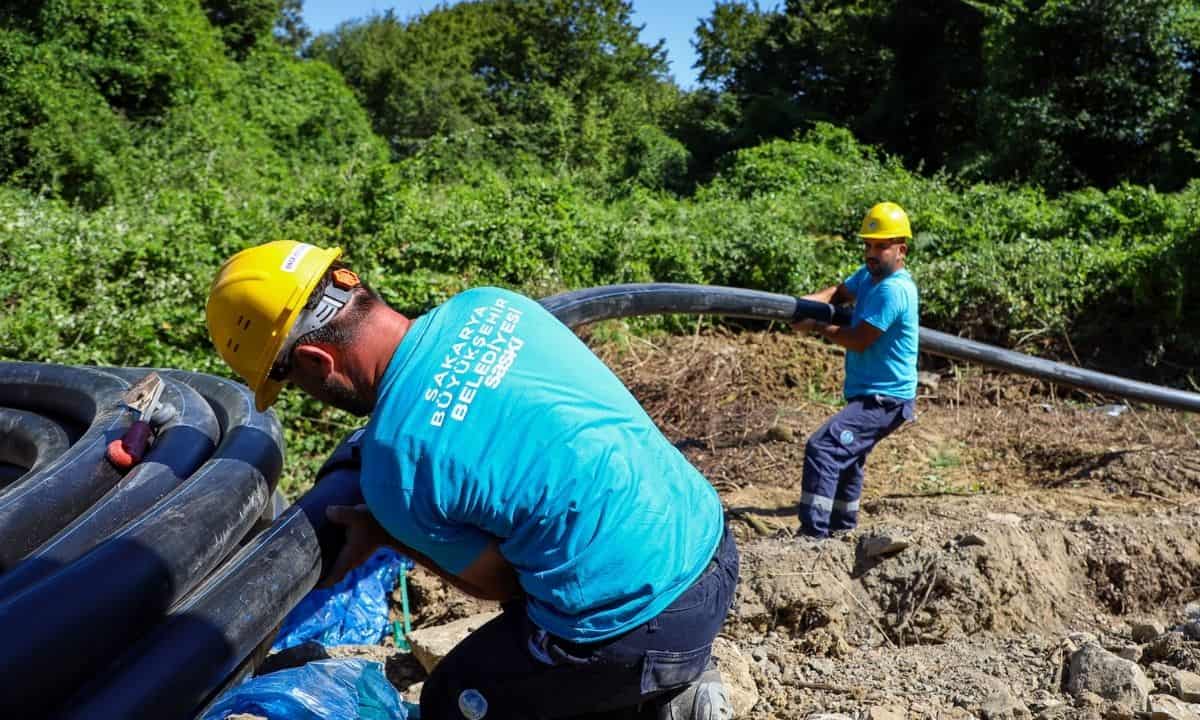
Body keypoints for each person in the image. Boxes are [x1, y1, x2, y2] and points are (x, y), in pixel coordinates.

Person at [205, 241, 739, 720]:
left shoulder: (395, 467)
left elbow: (503, 586)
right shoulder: (491, 305)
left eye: (288, 379)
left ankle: (654, 685)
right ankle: (669, 692)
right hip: (712, 546)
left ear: (315, 360)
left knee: (452, 699)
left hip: (638, 630)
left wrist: (386, 534)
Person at [791, 202, 919, 538]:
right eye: (868, 245)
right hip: (871, 395)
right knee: (848, 458)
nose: (872, 253)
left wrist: (816, 326)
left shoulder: (894, 289)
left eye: (881, 246)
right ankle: (842, 531)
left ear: (901, 250)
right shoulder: (868, 276)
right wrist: (804, 305)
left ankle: (812, 536)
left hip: (885, 399)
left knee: (823, 448)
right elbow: (838, 293)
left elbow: (860, 339)